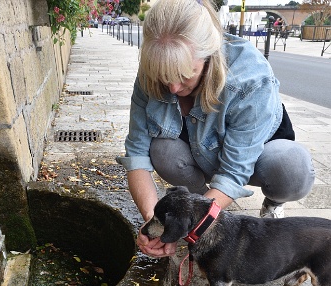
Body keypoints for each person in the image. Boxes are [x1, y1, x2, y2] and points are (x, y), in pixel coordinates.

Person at [116, 0, 315, 258]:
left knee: (292, 168)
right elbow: (137, 158)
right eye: (164, 77)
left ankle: (271, 203)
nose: (173, 88)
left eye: (185, 74)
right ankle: (201, 209)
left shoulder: (250, 79)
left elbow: (234, 171)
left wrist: (184, 228)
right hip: (199, 153)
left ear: (208, 54)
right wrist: (157, 224)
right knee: (162, 150)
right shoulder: (152, 72)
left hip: (257, 159)